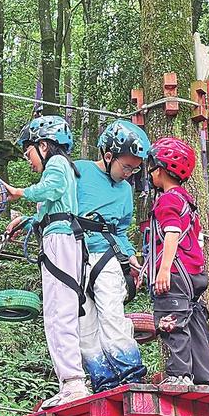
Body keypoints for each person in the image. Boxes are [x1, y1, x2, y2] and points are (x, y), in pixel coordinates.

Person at [4, 115, 86, 409]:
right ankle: (68, 381)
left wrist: (20, 192)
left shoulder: (57, 165)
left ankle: (74, 381)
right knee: (53, 313)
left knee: (60, 310)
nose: (29, 161)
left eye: (29, 154)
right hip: (56, 239)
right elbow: (47, 212)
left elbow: (50, 191)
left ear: (43, 145)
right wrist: (25, 224)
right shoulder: (58, 169)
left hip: (61, 242)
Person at [72, 120, 149, 392]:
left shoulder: (125, 190)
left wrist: (130, 256)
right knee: (84, 324)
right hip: (75, 255)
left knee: (113, 316)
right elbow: (55, 205)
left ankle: (131, 375)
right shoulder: (78, 171)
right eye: (126, 166)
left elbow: (122, 230)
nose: (129, 173)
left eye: (135, 168)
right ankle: (102, 380)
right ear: (108, 156)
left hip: (106, 256)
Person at [143, 136, 209, 386]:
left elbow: (172, 233)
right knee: (193, 321)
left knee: (170, 321)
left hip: (175, 272)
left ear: (161, 170)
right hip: (193, 273)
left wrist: (163, 270)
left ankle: (179, 375)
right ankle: (203, 378)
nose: (150, 173)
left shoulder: (167, 200)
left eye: (152, 168)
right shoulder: (187, 201)